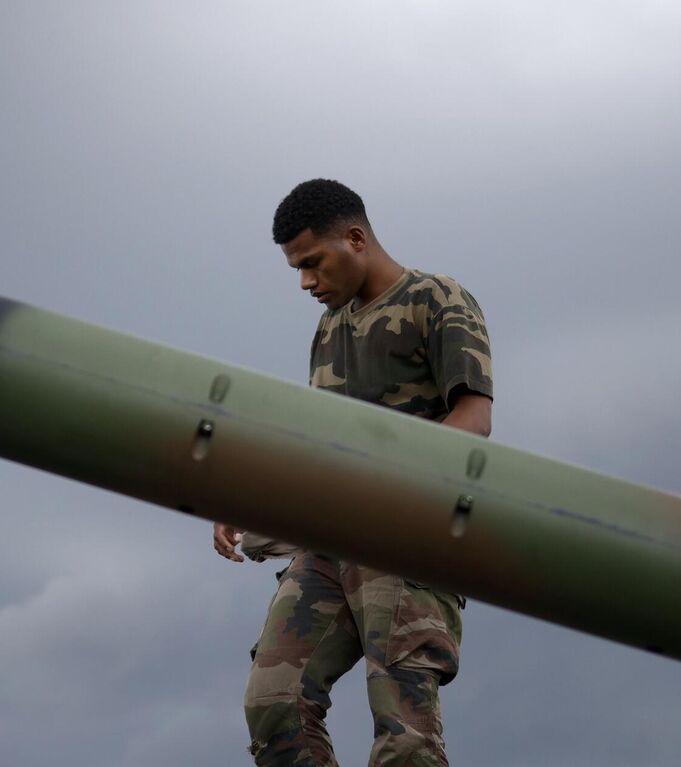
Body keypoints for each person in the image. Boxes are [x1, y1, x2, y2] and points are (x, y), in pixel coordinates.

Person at [213, 179, 493, 766]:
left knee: (404, 736)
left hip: (407, 537)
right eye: (296, 268)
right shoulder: (330, 327)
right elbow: (318, 446)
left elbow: (473, 421)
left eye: (312, 263)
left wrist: (381, 480)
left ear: (356, 238)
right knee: (273, 704)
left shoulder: (437, 298)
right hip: (329, 540)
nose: (306, 282)